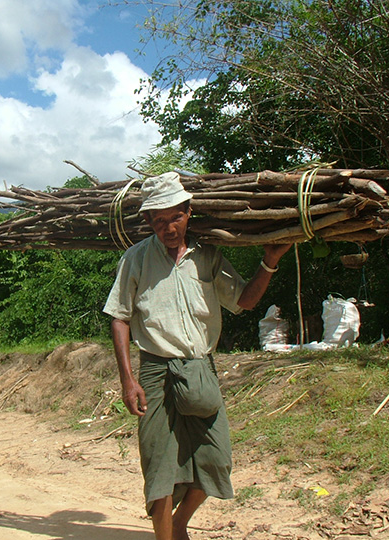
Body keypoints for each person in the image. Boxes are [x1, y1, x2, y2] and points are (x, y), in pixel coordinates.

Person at [103, 171, 291, 540]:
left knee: (217, 459)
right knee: (159, 465)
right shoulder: (136, 259)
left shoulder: (207, 257)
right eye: (159, 220)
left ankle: (179, 523)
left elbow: (244, 300)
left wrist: (269, 261)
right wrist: (128, 380)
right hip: (155, 374)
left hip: (201, 370)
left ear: (189, 213)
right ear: (148, 221)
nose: (168, 227)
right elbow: (120, 318)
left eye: (175, 216)